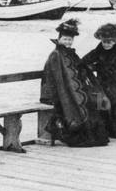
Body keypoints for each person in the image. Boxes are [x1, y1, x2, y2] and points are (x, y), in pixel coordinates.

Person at [40, 19, 110, 147]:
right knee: (76, 106)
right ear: (60, 39)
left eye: (70, 40)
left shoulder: (71, 53)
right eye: (65, 39)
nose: (68, 42)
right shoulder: (55, 55)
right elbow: (54, 77)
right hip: (63, 91)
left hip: (74, 88)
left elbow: (79, 68)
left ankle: (94, 133)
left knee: (95, 100)